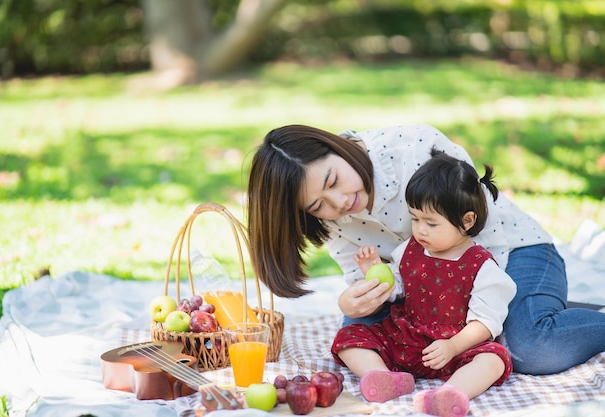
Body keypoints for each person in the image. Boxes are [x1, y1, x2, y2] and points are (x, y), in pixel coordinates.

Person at [246, 123, 605, 376]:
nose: (339, 203)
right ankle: (539, 307)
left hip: (509, 255)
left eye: (333, 181)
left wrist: (462, 327)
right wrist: (355, 299)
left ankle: (539, 309)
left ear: (336, 146)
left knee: (529, 347)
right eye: (317, 206)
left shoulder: (413, 147)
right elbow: (365, 276)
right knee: (358, 338)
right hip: (425, 285)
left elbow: (482, 232)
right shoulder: (332, 217)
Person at [329, 149, 515, 417]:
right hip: (406, 337)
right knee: (350, 337)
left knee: (493, 359)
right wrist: (376, 271)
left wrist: (453, 346)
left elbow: (485, 322)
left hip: (453, 348)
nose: (420, 229)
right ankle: (383, 377)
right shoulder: (411, 249)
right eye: (415, 218)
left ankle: (450, 393)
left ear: (466, 221)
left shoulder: (482, 266)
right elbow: (399, 285)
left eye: (431, 222)